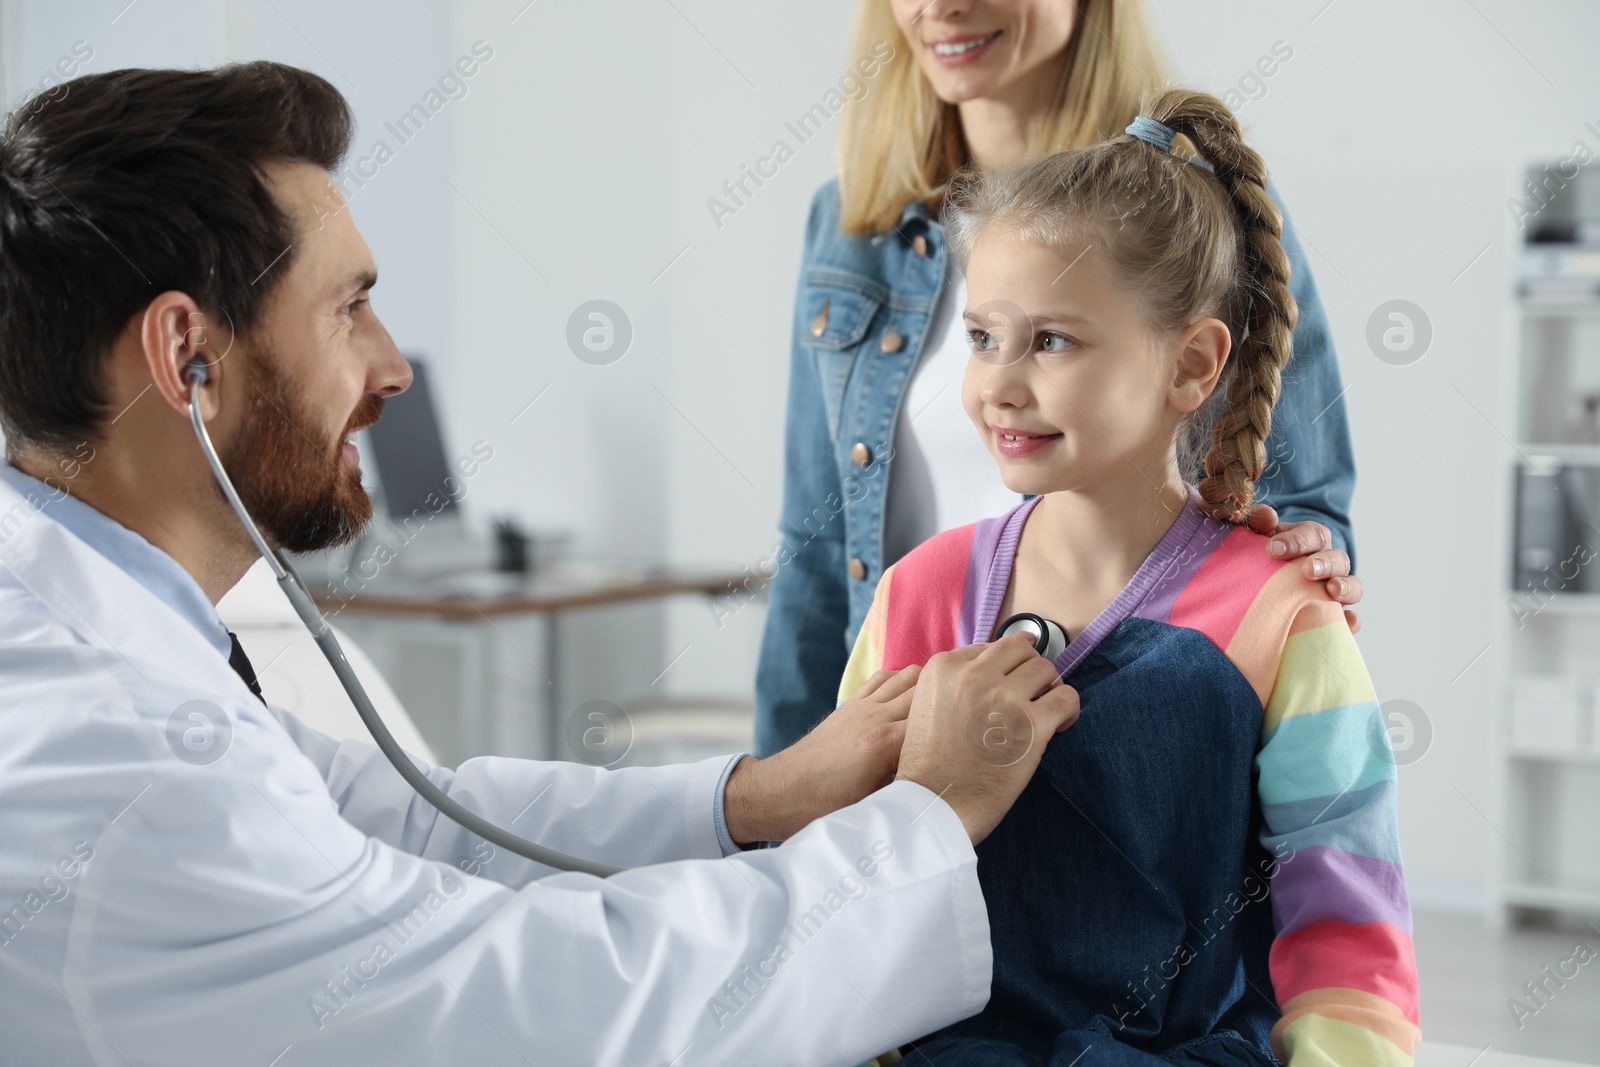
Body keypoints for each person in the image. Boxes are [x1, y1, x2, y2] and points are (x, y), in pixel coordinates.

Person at [0, 63, 1080, 1066]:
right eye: (348, 307)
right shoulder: (133, 769)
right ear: (189, 358)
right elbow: (559, 1008)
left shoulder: (99, 634)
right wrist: (927, 817)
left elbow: (409, 822)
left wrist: (758, 797)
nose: (388, 368)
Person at [841, 89, 1419, 1065]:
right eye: (982, 336)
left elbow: (1347, 930)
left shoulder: (1279, 615)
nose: (1000, 384)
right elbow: (843, 889)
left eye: (1052, 340)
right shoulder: (919, 593)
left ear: (1191, 364)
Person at [755, 0, 1364, 759]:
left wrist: (1298, 578)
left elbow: (1301, 504)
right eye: (982, 337)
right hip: (915, 740)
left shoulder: (1196, 220)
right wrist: (782, 814)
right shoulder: (851, 223)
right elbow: (814, 548)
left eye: (1052, 339)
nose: (941, 7)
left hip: (1138, 744)